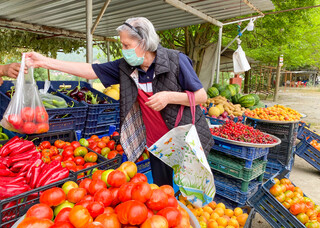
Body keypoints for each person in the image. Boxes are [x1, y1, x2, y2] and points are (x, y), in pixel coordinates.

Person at [25, 17, 214, 186]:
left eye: (126, 45)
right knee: (162, 191)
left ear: (144, 43)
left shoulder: (176, 60)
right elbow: (91, 70)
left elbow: (201, 96)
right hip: (157, 144)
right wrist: (45, 62)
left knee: (191, 189)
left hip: (185, 139)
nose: (123, 51)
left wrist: (169, 96)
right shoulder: (126, 67)